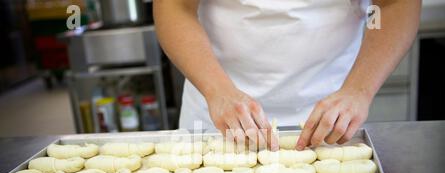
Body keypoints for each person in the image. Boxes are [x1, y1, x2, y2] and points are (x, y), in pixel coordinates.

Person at [154, 0, 421, 150]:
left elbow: (389, 5)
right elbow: (176, 8)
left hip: (331, 116)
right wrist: (217, 90)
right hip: (216, 107)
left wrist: (358, 90)